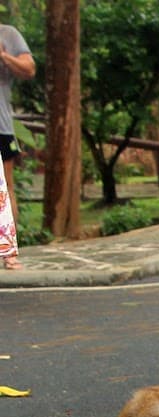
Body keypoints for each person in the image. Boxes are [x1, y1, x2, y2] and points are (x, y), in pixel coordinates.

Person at [0, 22, 33, 269]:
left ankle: (9, 253)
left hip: (0, 125)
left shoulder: (7, 34)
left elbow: (29, 69)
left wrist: (2, 55)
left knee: (4, 187)